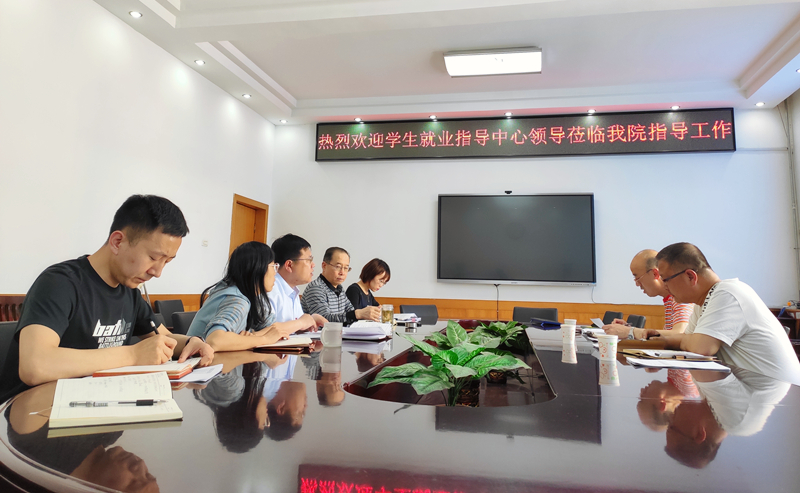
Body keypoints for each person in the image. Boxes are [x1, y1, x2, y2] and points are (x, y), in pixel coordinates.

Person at [0, 195, 213, 402]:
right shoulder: (60, 283)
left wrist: (192, 342)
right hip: (36, 410)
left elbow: (163, 337)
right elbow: (35, 366)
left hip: (95, 404)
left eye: (167, 261)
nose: (157, 272)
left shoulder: (130, 291)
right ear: (118, 242)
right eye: (153, 258)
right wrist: (132, 355)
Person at [650, 242, 800, 385]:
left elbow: (701, 348)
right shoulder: (703, 302)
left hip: (782, 395)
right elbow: (689, 341)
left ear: (690, 276)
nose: (664, 286)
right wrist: (661, 338)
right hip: (750, 390)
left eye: (665, 279)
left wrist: (678, 341)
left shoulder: (728, 293)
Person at [186, 241, 298, 351]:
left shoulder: (249, 296)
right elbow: (215, 341)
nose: (275, 272)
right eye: (273, 266)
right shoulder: (237, 300)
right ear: (258, 269)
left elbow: (272, 328)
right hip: (198, 361)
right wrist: (265, 339)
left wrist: (253, 336)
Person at [603, 249, 694, 340]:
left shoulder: (680, 297)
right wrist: (627, 329)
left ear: (655, 274)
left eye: (638, 278)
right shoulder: (669, 298)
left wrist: (630, 331)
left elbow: (679, 333)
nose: (637, 284)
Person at [301, 247, 380, 324]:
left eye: (346, 268)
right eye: (338, 267)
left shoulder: (339, 288)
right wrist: (357, 314)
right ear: (324, 266)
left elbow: (350, 311)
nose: (342, 272)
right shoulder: (316, 288)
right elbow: (323, 320)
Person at [269, 234, 326, 330]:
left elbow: (295, 326)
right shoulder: (271, 289)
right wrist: (301, 323)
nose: (313, 265)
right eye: (309, 260)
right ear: (289, 265)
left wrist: (310, 320)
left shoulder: (292, 290)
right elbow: (267, 331)